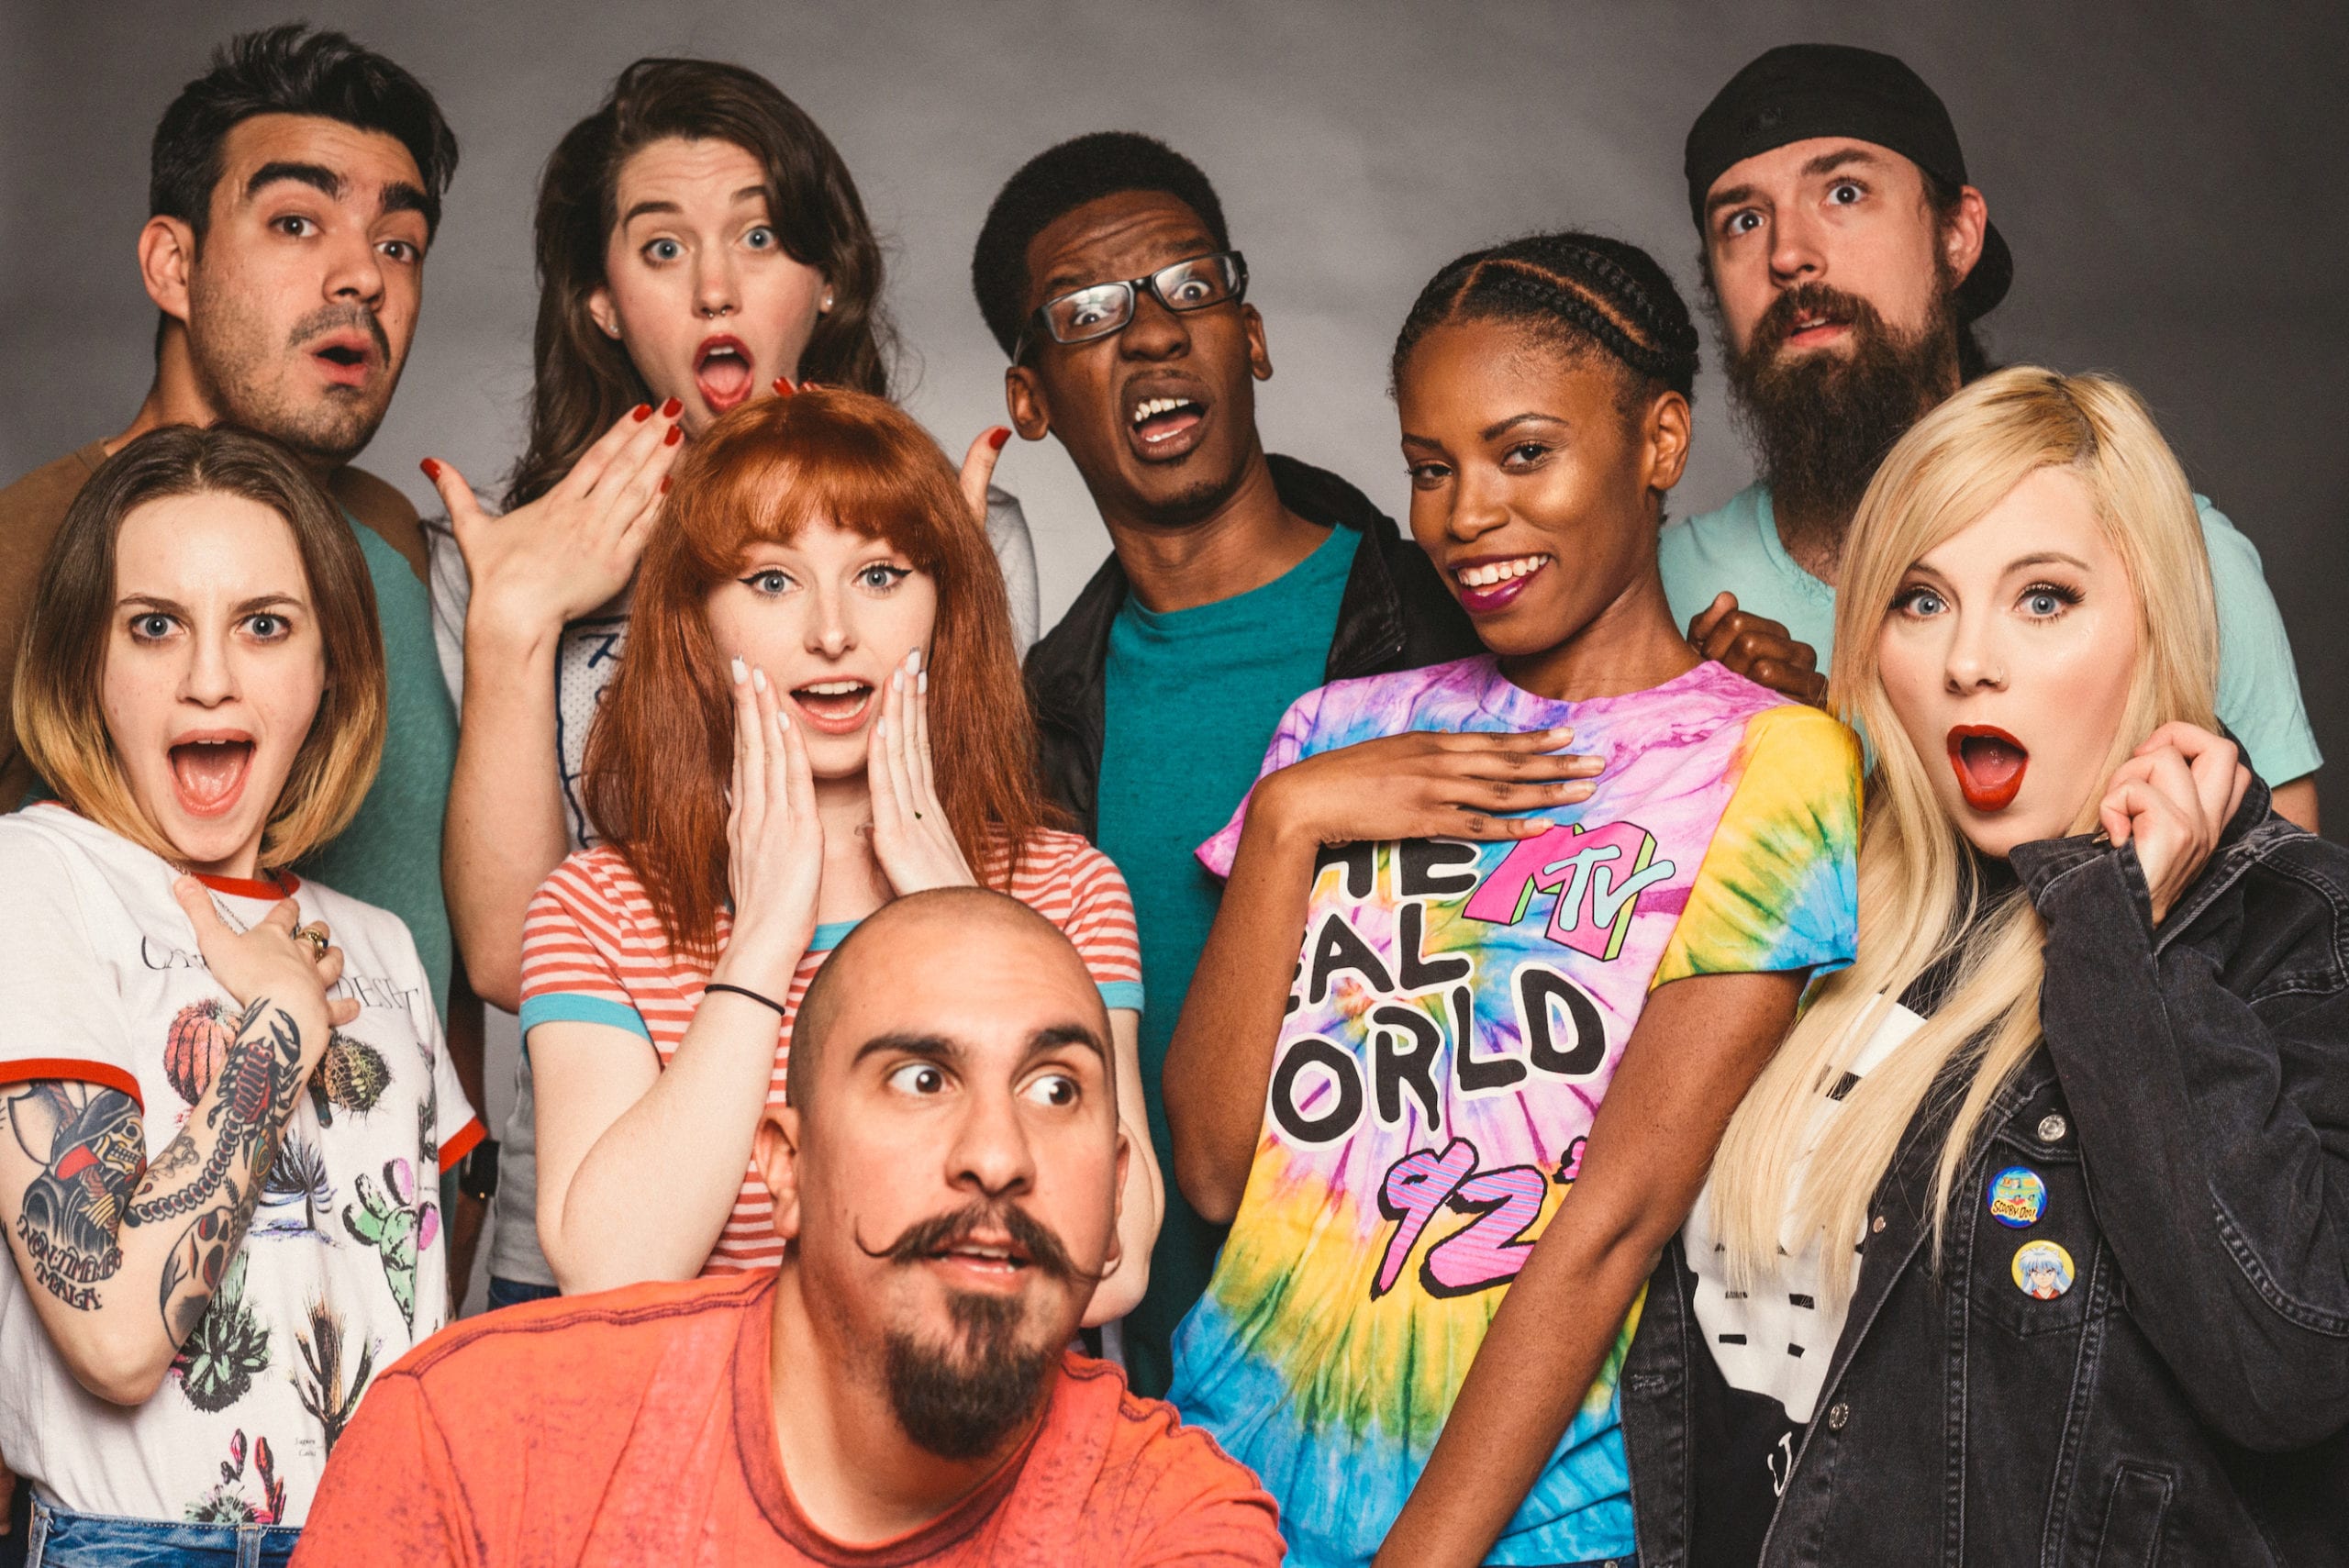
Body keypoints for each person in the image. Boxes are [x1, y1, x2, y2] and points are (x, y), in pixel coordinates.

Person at [1160, 234, 1865, 1568]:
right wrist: (1289, 827)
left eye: (1522, 452)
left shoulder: (1773, 763)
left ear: (1660, 442)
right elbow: (1208, 1168)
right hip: (1212, 1491)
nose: (1464, 514)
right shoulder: (1338, 735)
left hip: (1534, 1526)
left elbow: (1618, 1224)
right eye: (1432, 469)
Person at [1625, 367, 2349, 1566]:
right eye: (1920, 600)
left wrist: (2121, 926)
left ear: (2158, 623)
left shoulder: (2293, 931)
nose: (1968, 661)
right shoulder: (1815, 898)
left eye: (2044, 599)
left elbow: (2286, 1358)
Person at [418, 57, 1041, 1313]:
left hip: (893, 1212)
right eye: (660, 249)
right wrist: (516, 619)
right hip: (597, 1223)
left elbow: (975, 892)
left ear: (825, 279)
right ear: (599, 300)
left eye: (760, 236)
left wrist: (942, 587)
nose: (716, 284)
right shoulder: (507, 559)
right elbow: (504, 954)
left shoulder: (962, 542)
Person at [290, 887, 1284, 1565]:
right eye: (922, 1078)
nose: (997, 1151)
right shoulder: (473, 1431)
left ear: (1115, 1193)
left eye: (1055, 1085)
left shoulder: (1175, 1521)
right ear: (785, 1164)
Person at [971, 130, 1480, 1393]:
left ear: (1249, 332)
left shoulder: (1459, 622)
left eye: (1189, 286)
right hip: (1165, 1426)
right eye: (1090, 311)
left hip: (1457, 1385)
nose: (1152, 332)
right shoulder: (1029, 733)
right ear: (1028, 399)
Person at [0, 25, 488, 1293]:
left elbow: (451, 954)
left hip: (369, 1316)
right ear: (172, 261)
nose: (364, 278)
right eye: (295, 224)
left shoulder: (393, 538)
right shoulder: (28, 548)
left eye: (399, 243)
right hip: (113, 1318)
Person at [518, 387, 1159, 1326]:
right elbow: (614, 1274)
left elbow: (1114, 1262)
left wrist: (957, 920)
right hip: (709, 1455)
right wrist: (763, 941)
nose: (830, 630)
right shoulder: (598, 908)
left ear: (945, 607)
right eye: (772, 580)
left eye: (881, 574)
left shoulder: (1065, 888)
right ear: (697, 622)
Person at [0, 426, 480, 1563]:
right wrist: (280, 1028)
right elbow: (115, 1334)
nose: (208, 675)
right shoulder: (38, 877)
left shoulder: (375, 940)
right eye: (153, 624)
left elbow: (417, 1310)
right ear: (85, 661)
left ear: (331, 669)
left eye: (264, 624)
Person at [1661, 43, 2321, 832]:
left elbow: (2291, 923)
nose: (1789, 253)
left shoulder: (2172, 555)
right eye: (1743, 219)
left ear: (1957, 235)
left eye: (1844, 191)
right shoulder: (1657, 595)